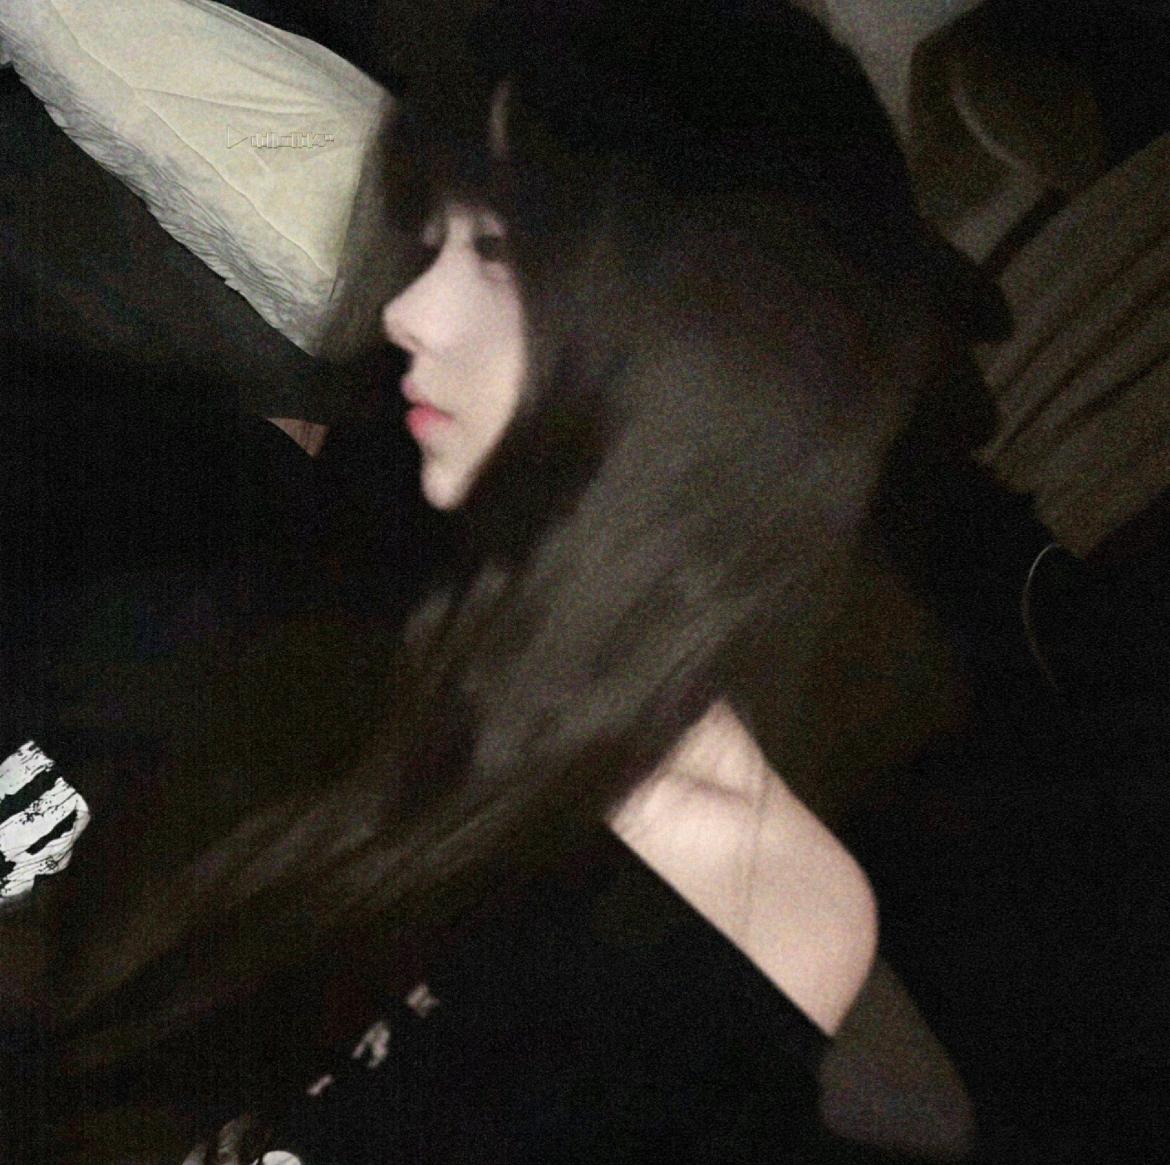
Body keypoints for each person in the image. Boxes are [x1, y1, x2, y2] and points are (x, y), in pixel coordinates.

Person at [25, 2, 1009, 1161]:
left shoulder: (738, 899)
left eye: (495, 250)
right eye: (432, 234)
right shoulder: (313, 559)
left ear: (703, 334)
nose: (409, 308)